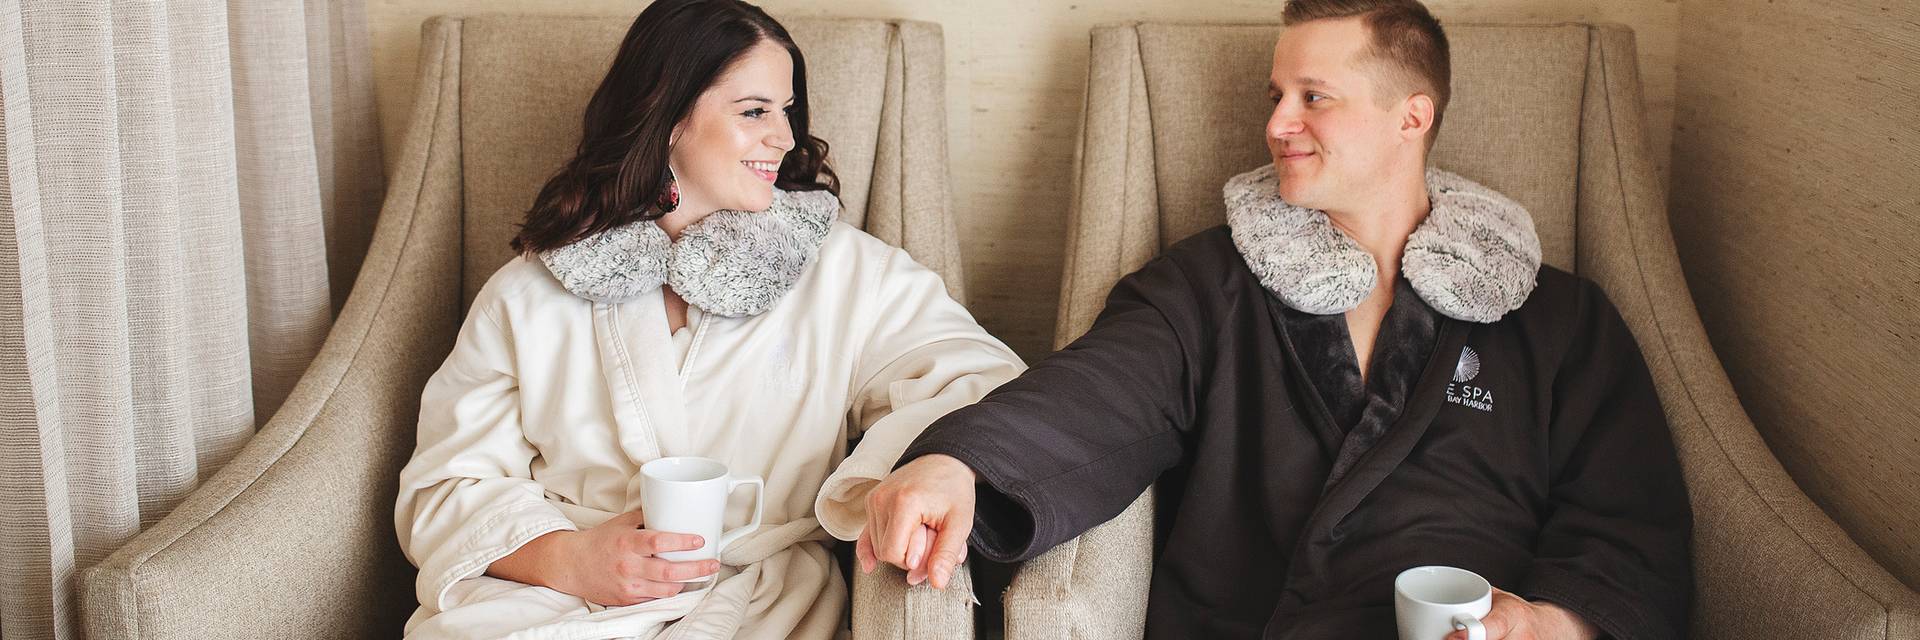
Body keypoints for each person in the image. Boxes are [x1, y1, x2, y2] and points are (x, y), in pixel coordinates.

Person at [859, 1, 1692, 638]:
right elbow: (1099, 393)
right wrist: (960, 463)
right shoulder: (1211, 284)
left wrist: (1553, 623)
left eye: (1313, 97)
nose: (1275, 124)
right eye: (1276, 95)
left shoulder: (1557, 319)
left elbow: (1627, 516)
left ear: (1412, 116)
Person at [392, 1, 1023, 637]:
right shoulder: (531, 291)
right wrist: (569, 559)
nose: (785, 138)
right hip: (548, 600)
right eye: (754, 111)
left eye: (787, 111)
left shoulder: (843, 272)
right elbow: (442, 488)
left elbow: (985, 383)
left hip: (757, 604)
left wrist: (939, 464)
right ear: (668, 117)